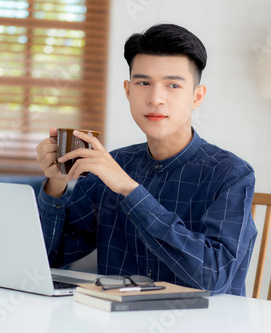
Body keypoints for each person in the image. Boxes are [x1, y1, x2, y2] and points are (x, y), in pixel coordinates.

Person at [35, 23, 257, 296]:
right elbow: (49, 258)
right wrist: (55, 184)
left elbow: (214, 277)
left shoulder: (231, 173)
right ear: (128, 90)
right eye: (143, 83)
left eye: (173, 85)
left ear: (197, 97)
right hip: (117, 319)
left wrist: (129, 190)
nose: (155, 99)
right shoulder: (112, 164)